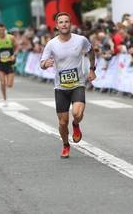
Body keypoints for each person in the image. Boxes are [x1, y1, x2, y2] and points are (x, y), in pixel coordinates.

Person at [40, 12, 96, 159]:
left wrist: (92, 69)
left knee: (77, 114)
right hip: (61, 87)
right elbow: (42, 63)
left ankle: (76, 124)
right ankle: (65, 144)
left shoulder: (81, 40)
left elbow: (91, 51)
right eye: (61, 22)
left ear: (70, 24)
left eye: (66, 21)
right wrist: (45, 64)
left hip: (78, 84)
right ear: (57, 26)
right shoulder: (52, 44)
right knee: (62, 122)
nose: (64, 24)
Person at [0, 23, 19, 105]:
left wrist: (14, 55)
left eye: (3, 30)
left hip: (10, 64)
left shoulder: (10, 38)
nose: (1, 32)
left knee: (9, 85)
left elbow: (17, 47)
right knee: (2, 82)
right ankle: (4, 99)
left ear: (5, 30)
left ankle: (6, 93)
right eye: (0, 30)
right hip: (0, 64)